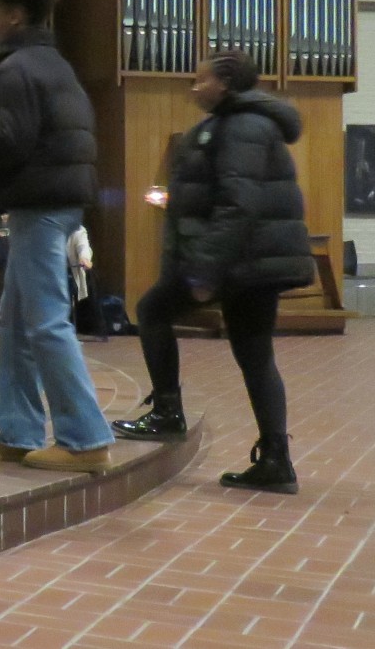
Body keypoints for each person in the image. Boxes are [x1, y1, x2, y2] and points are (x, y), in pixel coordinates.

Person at [112, 48, 312, 495]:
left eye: (201, 80)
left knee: (152, 310)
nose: (194, 87)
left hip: (241, 260)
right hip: (252, 259)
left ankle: (167, 412)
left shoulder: (241, 126)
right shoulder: (235, 123)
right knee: (255, 353)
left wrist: (204, 269)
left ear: (225, 84)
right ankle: (276, 459)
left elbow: (238, 204)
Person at [0, 0, 111, 472]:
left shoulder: (17, 70)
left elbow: (9, 143)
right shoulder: (55, 65)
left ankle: (86, 441)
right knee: (16, 324)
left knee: (46, 326)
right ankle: (18, 432)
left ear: (15, 15)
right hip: (54, 203)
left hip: (38, 208)